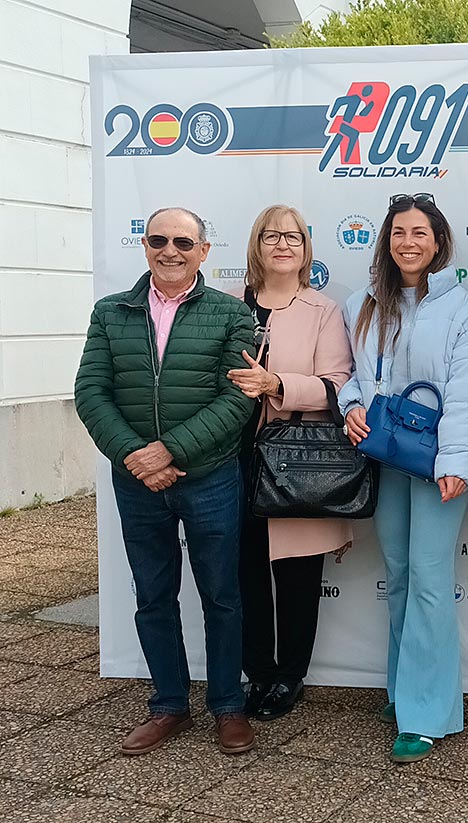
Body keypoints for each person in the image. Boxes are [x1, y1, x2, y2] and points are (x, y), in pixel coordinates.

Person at [74, 207, 256, 755]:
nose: (169, 250)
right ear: (145, 246)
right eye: (158, 240)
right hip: (137, 482)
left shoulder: (230, 314)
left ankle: (228, 705)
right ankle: (169, 704)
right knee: (153, 595)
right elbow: (90, 392)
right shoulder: (111, 312)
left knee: (222, 595)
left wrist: (170, 450)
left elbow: (238, 399)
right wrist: (135, 456)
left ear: (204, 251)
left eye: (183, 241)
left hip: (210, 478)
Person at [339, 193, 468, 763]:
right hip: (381, 454)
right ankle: (407, 688)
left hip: (435, 464)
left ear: (439, 242)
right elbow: (351, 375)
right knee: (399, 575)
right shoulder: (364, 303)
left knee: (428, 578)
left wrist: (457, 463)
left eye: (419, 233)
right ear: (387, 240)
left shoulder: (461, 309)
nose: (408, 242)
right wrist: (351, 405)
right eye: (399, 232)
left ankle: (428, 713)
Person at [226, 205, 353, 721]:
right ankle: (257, 672)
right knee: (245, 573)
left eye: (293, 237)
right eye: (272, 236)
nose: (282, 244)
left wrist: (277, 385)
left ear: (306, 249)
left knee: (299, 576)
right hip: (230, 458)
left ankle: (290, 676)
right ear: (256, 245)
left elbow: (339, 386)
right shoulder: (226, 305)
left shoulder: (323, 310)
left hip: (295, 463)